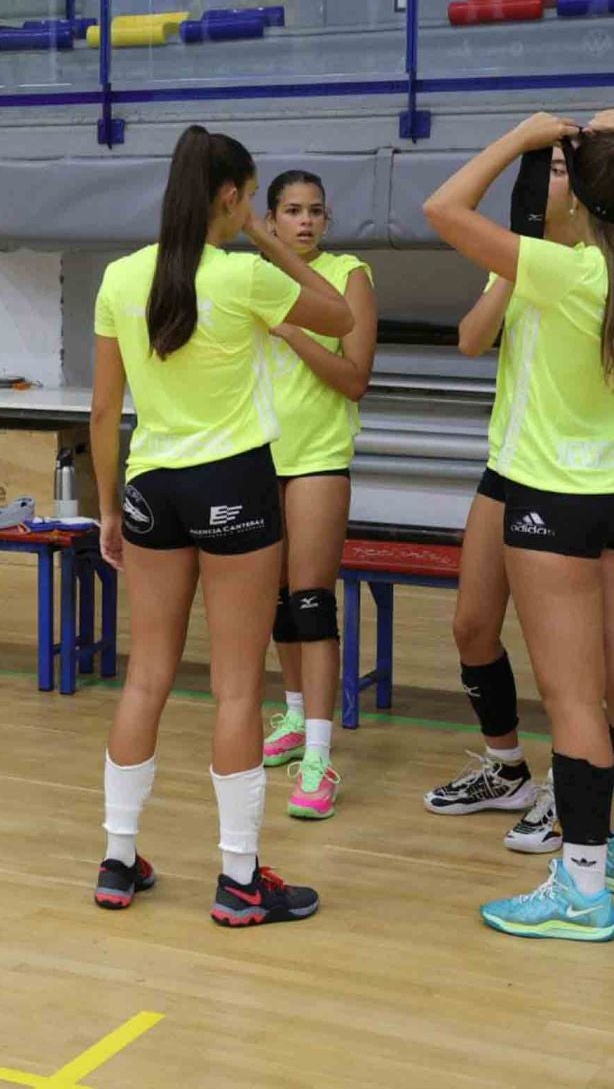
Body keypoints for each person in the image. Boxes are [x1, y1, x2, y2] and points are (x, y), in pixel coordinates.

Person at [423, 109, 614, 942]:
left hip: (556, 505)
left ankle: (582, 889)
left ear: (581, 200)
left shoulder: (560, 271)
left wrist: (518, 139)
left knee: (572, 698)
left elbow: (442, 210)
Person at [89, 126, 352, 927]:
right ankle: (240, 878)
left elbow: (104, 409)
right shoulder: (243, 276)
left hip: (150, 486)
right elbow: (338, 312)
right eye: (257, 198)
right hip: (232, 482)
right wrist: (272, 244)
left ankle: (118, 859)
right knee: (237, 687)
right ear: (233, 197)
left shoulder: (121, 276)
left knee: (146, 677)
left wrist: (106, 507)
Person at [252, 170, 377, 822]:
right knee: (277, 603)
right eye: (292, 211)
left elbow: (355, 379)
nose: (304, 222)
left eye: (315, 212)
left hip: (318, 459)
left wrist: (295, 333)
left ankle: (321, 758)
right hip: (256, 457)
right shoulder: (252, 278)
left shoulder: (348, 274)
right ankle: (295, 718)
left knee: (311, 602)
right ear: (269, 220)